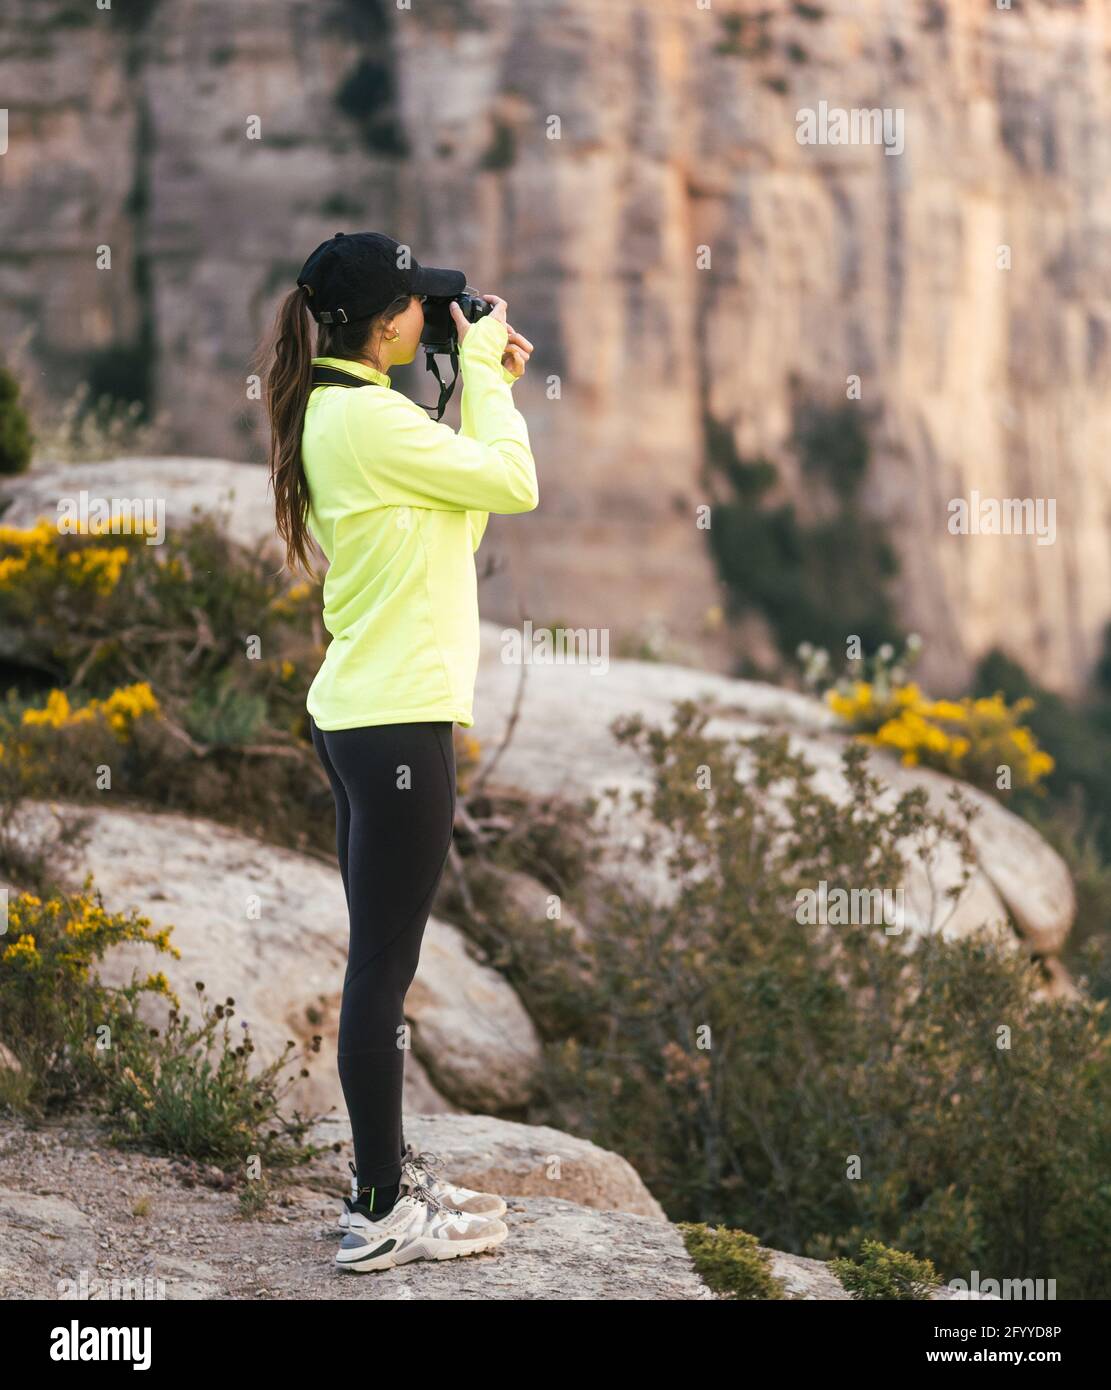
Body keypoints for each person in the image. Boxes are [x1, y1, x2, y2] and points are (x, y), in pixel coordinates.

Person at [261, 232, 538, 1272]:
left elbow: (457, 524)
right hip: (395, 730)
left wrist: (468, 390)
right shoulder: (366, 421)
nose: (436, 316)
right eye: (421, 306)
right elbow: (513, 486)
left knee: (385, 961)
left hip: (366, 718)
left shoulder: (344, 411)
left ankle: (386, 1180)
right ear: (385, 326)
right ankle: (379, 1210)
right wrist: (484, 385)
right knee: (381, 972)